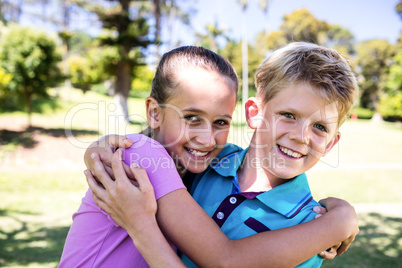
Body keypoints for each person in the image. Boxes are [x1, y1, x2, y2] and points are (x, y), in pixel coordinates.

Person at [62, 45, 359, 267]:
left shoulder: (309, 226)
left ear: (332, 143)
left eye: (320, 126)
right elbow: (225, 260)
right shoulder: (202, 163)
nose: (300, 136)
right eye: (289, 115)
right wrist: (339, 222)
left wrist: (341, 215)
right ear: (254, 114)